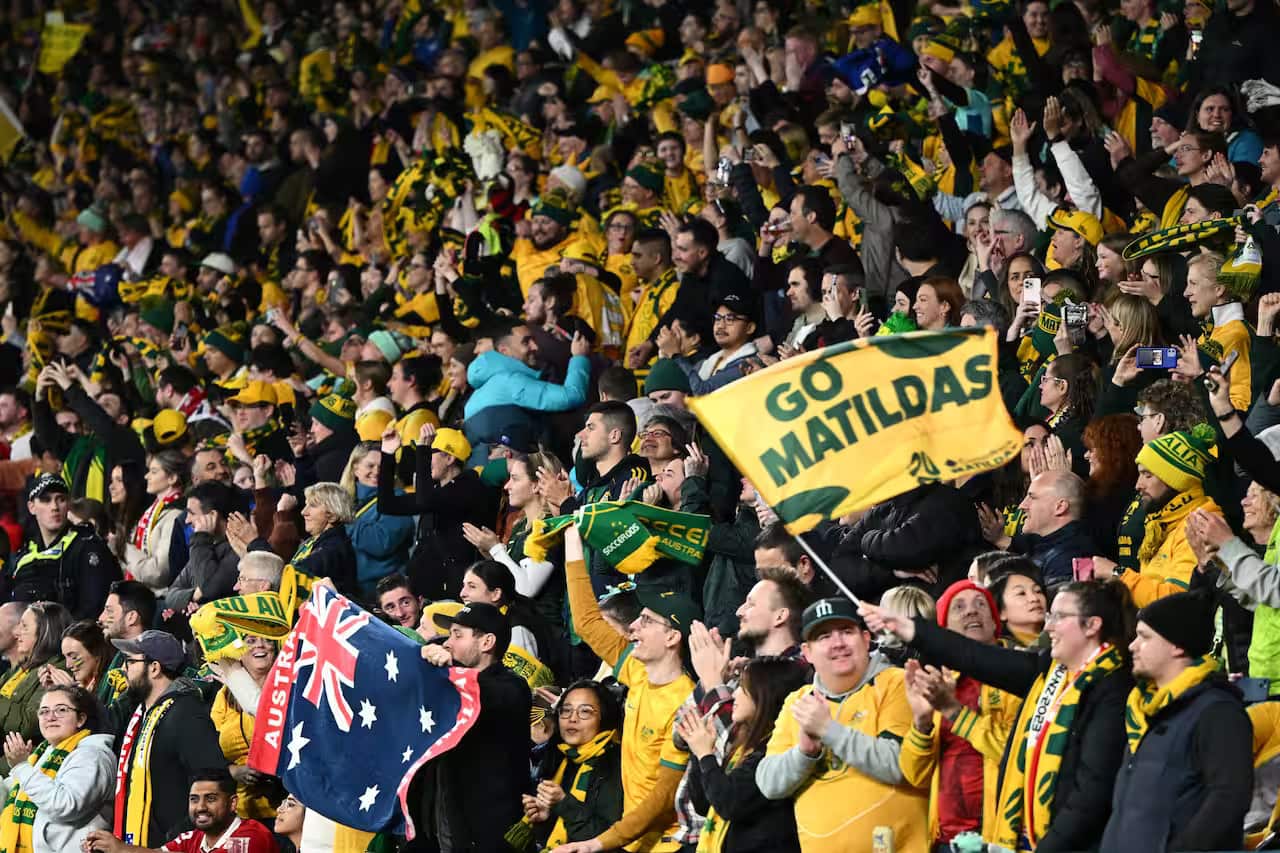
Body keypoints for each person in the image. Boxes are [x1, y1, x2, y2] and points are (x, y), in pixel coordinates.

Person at [861, 580, 1135, 852]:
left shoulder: (1113, 690)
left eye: (1059, 617)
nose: (1048, 625)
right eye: (1050, 615)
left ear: (1092, 625)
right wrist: (907, 627)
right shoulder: (1049, 673)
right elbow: (971, 654)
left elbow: (1091, 794)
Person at [559, 526, 696, 852]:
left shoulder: (685, 703)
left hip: (665, 845)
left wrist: (602, 842)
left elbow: (663, 797)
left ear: (672, 637)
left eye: (646, 621)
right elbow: (587, 623)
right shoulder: (636, 670)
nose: (633, 626)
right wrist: (572, 544)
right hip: (629, 839)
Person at [755, 597, 928, 852]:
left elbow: (902, 765)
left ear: (866, 639)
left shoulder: (896, 683)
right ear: (807, 652)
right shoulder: (799, 701)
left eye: (847, 632)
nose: (837, 643)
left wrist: (828, 730)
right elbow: (768, 783)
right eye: (823, 637)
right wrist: (805, 753)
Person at [1098, 590, 1252, 851]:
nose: (1133, 645)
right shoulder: (1145, 709)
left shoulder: (1217, 711)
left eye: (1145, 637)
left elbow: (1229, 797)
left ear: (1177, 645)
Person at [898, 581, 1023, 849]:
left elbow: (1015, 755)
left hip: (1001, 838)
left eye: (980, 604)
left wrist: (955, 712)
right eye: (959, 607)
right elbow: (915, 775)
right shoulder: (935, 683)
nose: (971, 612)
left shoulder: (1018, 681)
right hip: (946, 840)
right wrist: (921, 722)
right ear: (943, 631)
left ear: (995, 621)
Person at [413, 602, 531, 852]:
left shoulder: (513, 688)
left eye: (458, 635)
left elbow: (480, 695)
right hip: (439, 823)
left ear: (487, 642)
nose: (449, 643)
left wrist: (451, 670)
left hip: (489, 834)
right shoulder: (448, 681)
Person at [679, 657, 810, 853]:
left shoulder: (774, 753)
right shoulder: (743, 746)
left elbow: (729, 803)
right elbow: (704, 805)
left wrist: (705, 755)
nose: (735, 694)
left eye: (743, 687)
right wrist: (699, 751)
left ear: (764, 694)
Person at [111, 631, 228, 847]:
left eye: (130, 662)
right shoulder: (140, 715)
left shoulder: (186, 714)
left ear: (154, 668)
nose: (123, 669)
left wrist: (176, 837)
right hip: (139, 842)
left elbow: (213, 780)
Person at [1093, 427, 1225, 607]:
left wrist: (1118, 574)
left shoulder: (1200, 526)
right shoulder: (1162, 521)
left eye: (1147, 475)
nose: (1138, 485)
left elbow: (1177, 601)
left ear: (1176, 480)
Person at [0, 684, 115, 851]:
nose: (50, 717)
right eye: (44, 711)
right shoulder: (42, 753)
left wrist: (22, 767)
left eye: (61, 710)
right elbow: (12, 792)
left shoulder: (92, 756)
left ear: (81, 719)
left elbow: (66, 805)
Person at [523, 680, 624, 849]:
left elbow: (611, 837)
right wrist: (544, 819)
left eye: (585, 712)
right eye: (566, 710)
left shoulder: (615, 764)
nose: (572, 719)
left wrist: (563, 803)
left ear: (604, 717)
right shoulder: (559, 758)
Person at [5, 474, 121, 619]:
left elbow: (92, 609)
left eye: (61, 499)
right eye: (46, 500)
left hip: (71, 636)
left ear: (68, 505)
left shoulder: (87, 546)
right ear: (31, 507)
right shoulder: (25, 555)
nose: (54, 507)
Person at [84, 769, 279, 852]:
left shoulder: (251, 836)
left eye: (211, 799)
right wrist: (112, 848)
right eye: (194, 799)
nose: (201, 807)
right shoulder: (191, 838)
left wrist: (122, 849)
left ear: (233, 803)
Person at [209, 635, 280, 822]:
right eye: (250, 640)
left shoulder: (287, 689)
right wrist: (233, 771)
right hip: (238, 813)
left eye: (268, 640)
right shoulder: (224, 697)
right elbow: (207, 755)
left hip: (284, 812)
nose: (260, 645)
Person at [251, 482, 357, 594]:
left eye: (313, 505)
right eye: (306, 505)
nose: (304, 512)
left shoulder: (332, 549)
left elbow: (289, 577)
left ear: (332, 515)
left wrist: (255, 542)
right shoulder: (316, 542)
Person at [340, 442, 414, 595]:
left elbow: (381, 542)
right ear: (355, 468)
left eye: (381, 467)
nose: (376, 471)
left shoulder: (398, 499)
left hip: (384, 591)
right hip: (348, 587)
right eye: (370, 466)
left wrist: (346, 520)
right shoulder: (344, 500)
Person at [0, 602, 72, 747]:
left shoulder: (54, 672)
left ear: (45, 632)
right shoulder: (20, 668)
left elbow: (25, 726)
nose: (16, 633)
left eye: (25, 627)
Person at [165, 481, 242, 614]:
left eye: (191, 513)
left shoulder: (238, 549)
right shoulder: (207, 546)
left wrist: (200, 537)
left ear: (212, 516)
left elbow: (208, 589)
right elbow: (170, 596)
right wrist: (194, 595)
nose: (187, 520)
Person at [125, 452, 187, 596]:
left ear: (172, 478)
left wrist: (126, 550)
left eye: (154, 472)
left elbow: (159, 573)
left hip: (160, 598)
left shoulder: (175, 514)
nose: (147, 476)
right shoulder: (153, 510)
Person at [96, 581, 157, 706]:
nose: (101, 618)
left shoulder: (151, 662)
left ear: (131, 617)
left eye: (109, 611)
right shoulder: (120, 656)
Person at [44, 619, 114, 695]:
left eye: (74, 657)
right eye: (65, 657)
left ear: (96, 652)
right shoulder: (80, 685)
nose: (68, 665)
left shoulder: (111, 685)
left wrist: (71, 694)